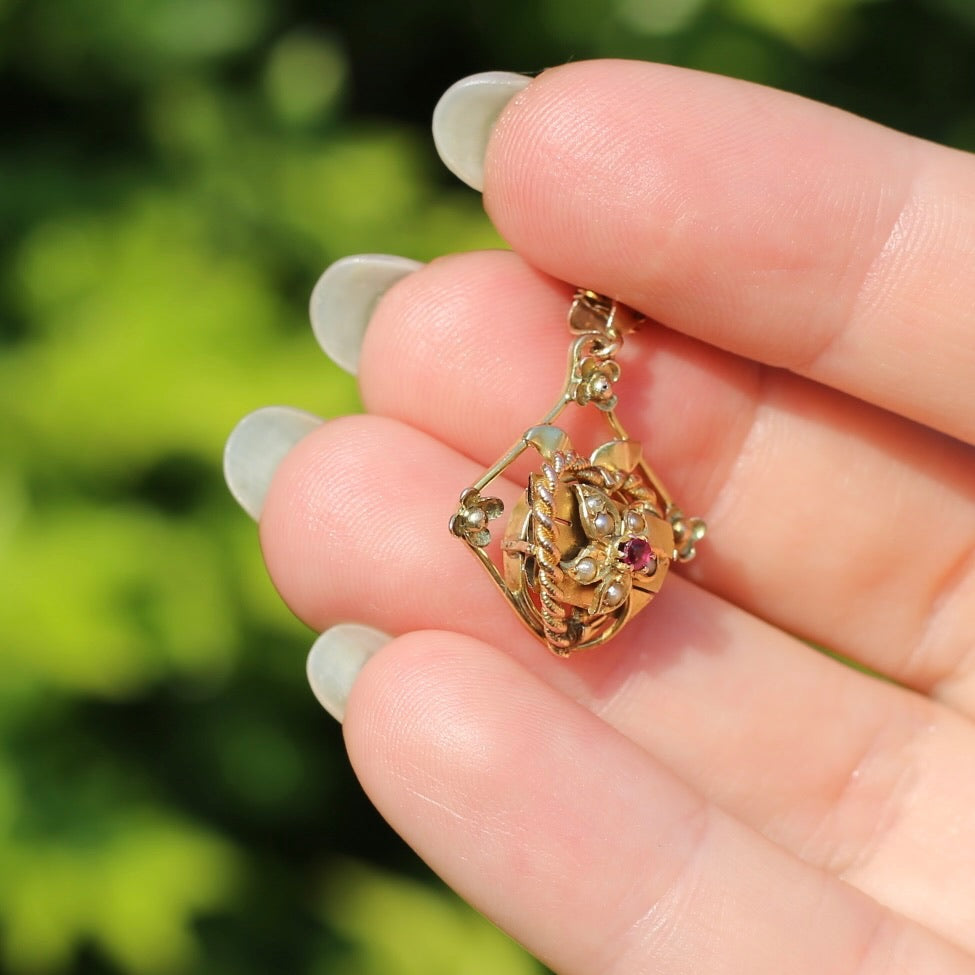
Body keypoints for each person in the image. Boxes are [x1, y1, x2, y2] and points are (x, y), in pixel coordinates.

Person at [223, 61, 975, 973]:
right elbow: (574, 530)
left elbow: (597, 527)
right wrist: (560, 466)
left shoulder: (602, 529)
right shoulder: (588, 530)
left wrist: (566, 467)